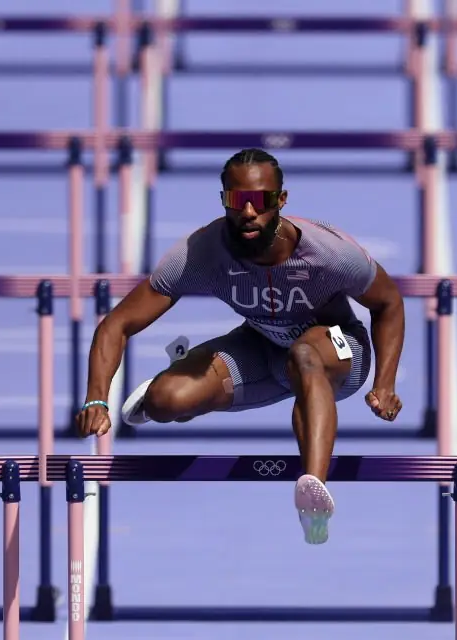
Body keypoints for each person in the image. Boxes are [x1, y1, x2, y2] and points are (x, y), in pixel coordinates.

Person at [75, 148, 405, 545]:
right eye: (238, 200)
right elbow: (117, 324)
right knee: (166, 401)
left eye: (261, 201)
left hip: (338, 347)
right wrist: (97, 399)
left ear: (281, 200)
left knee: (305, 355)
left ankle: (313, 498)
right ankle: (177, 376)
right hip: (263, 346)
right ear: (224, 200)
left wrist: (384, 384)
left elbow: (389, 303)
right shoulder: (201, 252)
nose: (249, 212)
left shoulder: (329, 254)